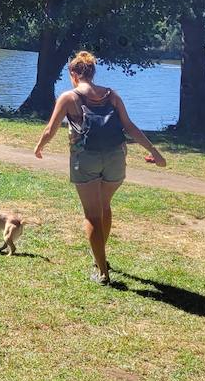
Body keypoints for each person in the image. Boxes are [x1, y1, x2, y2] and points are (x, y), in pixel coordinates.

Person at [33, 51, 166, 284]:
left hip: (86, 159)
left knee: (92, 214)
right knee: (104, 207)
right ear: (92, 72)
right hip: (115, 157)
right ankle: (99, 256)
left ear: (73, 73)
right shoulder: (111, 94)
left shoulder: (69, 97)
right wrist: (153, 152)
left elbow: (49, 130)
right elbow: (130, 127)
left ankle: (102, 271)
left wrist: (39, 147)